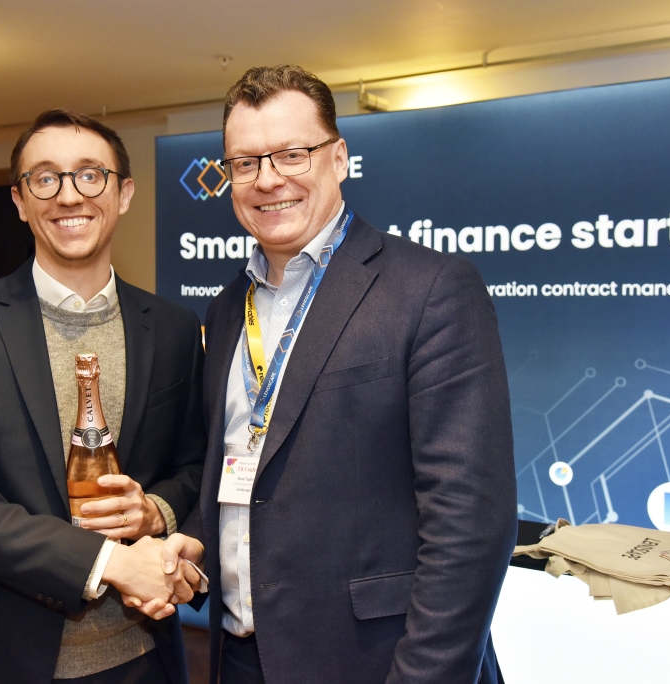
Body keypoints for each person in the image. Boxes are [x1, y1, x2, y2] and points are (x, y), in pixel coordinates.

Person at [160, 65, 517, 683]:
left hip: (374, 661)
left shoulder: (429, 288)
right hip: (238, 655)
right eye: (245, 163)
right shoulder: (226, 308)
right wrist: (196, 539)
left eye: (291, 154)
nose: (267, 179)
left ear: (339, 157)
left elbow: (470, 521)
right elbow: (246, 467)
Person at [0, 109, 207, 684]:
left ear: (124, 193)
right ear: (20, 201)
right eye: (45, 178)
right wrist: (112, 562)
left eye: (90, 174)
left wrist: (155, 510)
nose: (69, 195)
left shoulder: (172, 327)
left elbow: (194, 465)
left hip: (142, 656)